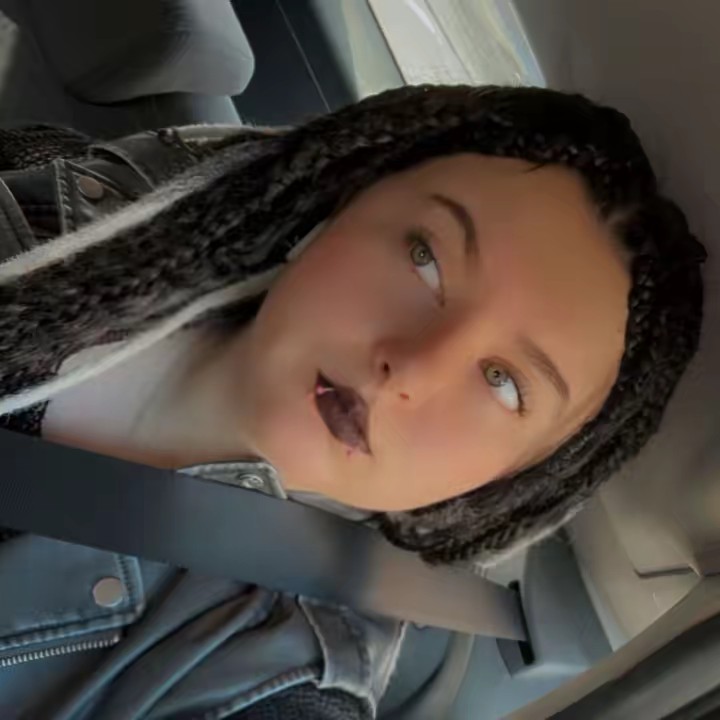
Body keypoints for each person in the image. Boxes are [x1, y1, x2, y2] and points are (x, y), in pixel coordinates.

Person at [0, 84, 706, 718]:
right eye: (426, 259)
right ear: (343, 203)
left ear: (517, 476)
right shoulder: (69, 197)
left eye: (504, 383)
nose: (410, 368)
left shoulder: (280, 682)